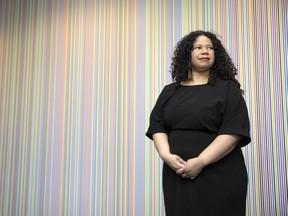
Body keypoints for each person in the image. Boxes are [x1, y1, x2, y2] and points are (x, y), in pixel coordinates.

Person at [146, 30, 251, 216]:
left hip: (221, 175)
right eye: (198, 47)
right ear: (187, 53)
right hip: (178, 173)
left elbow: (233, 131)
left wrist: (201, 161)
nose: (205, 51)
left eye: (210, 48)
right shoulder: (170, 91)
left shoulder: (228, 88)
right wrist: (166, 155)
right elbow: (157, 126)